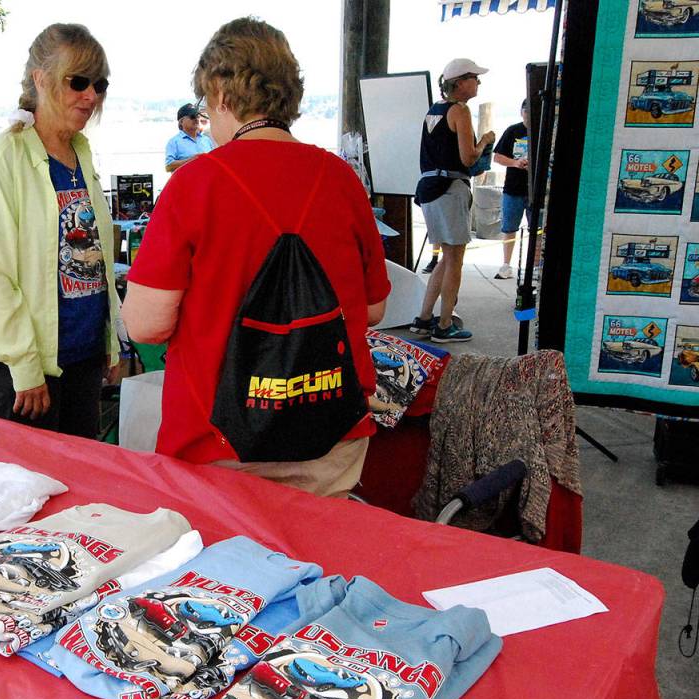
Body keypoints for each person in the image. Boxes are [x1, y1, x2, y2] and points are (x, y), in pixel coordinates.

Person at [122, 17, 390, 497]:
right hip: (330, 432)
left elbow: (145, 325)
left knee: (225, 570)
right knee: (325, 561)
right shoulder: (340, 179)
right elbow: (372, 310)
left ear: (223, 94)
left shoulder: (194, 185)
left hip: (220, 444)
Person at [0, 23, 121, 439]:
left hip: (79, 353)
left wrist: (110, 340)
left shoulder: (80, 155)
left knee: (82, 480)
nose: (91, 96)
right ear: (40, 79)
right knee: (35, 487)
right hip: (18, 360)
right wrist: (25, 367)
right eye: (78, 82)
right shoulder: (1, 161)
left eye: (99, 84)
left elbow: (96, 262)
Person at [410, 58, 495, 343]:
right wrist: (484, 140)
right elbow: (468, 157)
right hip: (450, 188)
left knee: (446, 257)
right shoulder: (460, 110)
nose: (478, 82)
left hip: (429, 188)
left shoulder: (433, 112)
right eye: (474, 77)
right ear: (460, 83)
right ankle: (445, 325)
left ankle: (423, 318)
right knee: (455, 259)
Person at [492, 98, 531, 280]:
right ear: (521, 112)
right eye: (526, 111)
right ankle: (506, 264)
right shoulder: (513, 131)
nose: (528, 115)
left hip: (534, 189)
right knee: (509, 227)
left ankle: (535, 265)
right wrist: (515, 163)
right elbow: (498, 157)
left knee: (537, 229)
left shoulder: (544, 129)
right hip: (513, 187)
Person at [165, 103, 215, 172]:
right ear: (181, 121)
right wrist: (191, 160)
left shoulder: (206, 140)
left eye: (197, 116)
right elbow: (168, 166)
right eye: (192, 116)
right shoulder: (174, 142)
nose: (196, 119)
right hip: (186, 182)